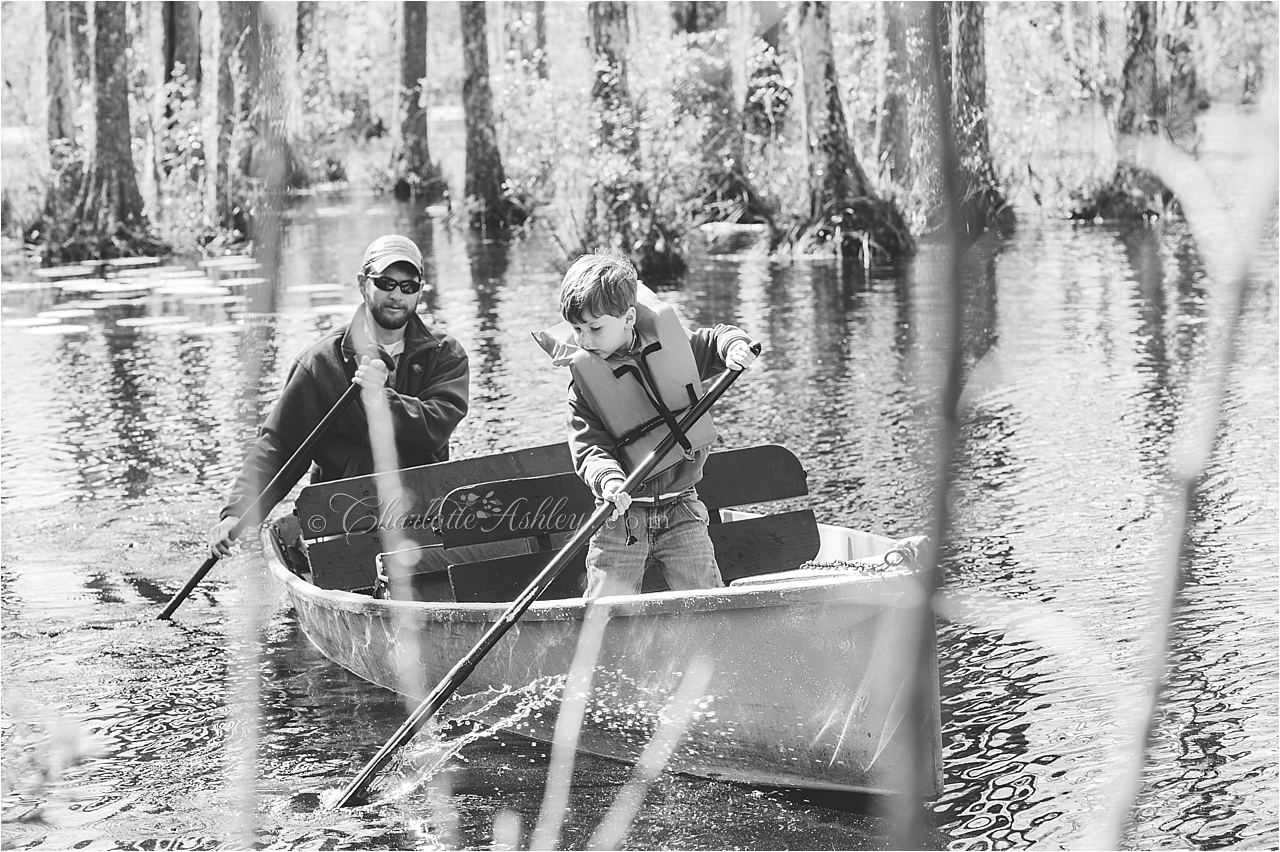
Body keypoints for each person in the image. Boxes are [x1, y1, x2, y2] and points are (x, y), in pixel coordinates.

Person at [209, 234, 469, 556]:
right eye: (386, 282)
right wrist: (237, 511)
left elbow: (435, 428)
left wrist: (382, 401)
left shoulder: (446, 355)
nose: (397, 295)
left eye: (408, 286)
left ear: (419, 291)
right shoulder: (320, 363)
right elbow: (280, 447)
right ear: (363, 284)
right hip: (340, 520)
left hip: (421, 515)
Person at [534, 252, 757, 597]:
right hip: (622, 518)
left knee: (706, 602)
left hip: (682, 506)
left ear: (628, 318)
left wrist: (735, 347)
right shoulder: (584, 384)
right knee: (605, 616)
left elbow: (716, 340)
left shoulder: (670, 348)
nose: (585, 340)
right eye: (577, 330)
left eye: (594, 328)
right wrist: (607, 480)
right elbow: (589, 447)